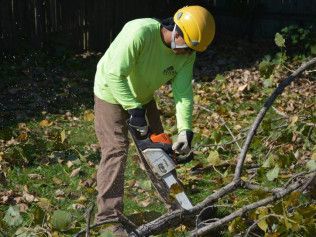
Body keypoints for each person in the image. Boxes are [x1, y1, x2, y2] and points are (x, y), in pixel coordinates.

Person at [93, 5, 215, 236]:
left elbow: (182, 93)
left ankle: (180, 208)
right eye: (187, 47)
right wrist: (133, 110)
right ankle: (107, 220)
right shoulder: (139, 32)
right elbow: (113, 74)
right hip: (110, 93)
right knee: (116, 150)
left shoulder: (188, 53)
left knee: (160, 152)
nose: (188, 53)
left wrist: (184, 130)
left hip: (143, 97)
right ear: (177, 32)